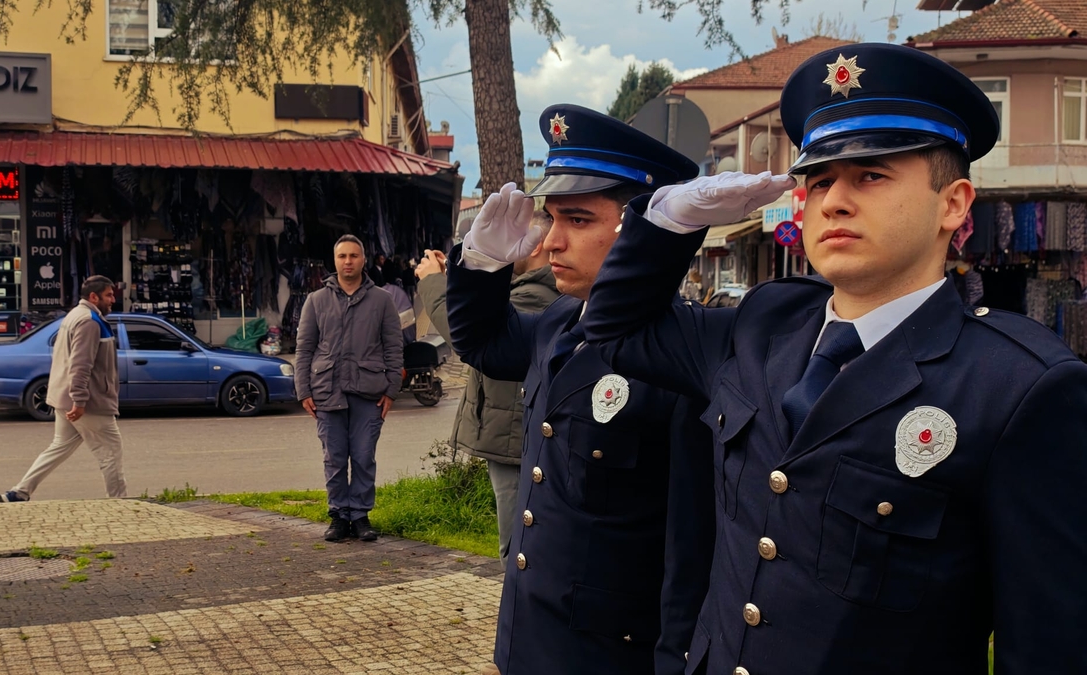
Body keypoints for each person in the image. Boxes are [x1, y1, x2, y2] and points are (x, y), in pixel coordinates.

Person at [576, 43, 1087, 673]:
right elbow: (615, 330)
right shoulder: (761, 327)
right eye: (818, 181)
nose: (834, 201)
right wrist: (666, 224)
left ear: (953, 204)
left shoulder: (1017, 387)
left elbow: (1046, 646)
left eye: (871, 176)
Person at [446, 104, 715, 675]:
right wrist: (482, 261)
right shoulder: (559, 322)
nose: (550, 244)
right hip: (527, 635)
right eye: (552, 219)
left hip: (606, 653)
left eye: (579, 220)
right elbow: (483, 342)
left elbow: (690, 552)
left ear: (642, 228)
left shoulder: (682, 359)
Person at [415, 214, 560, 566]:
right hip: (512, 436)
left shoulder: (535, 295)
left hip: (515, 441)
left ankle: (518, 618)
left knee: (517, 551)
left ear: (535, 243)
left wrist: (433, 283)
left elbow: (471, 337)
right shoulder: (530, 290)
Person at [295, 234, 403, 543]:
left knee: (364, 456)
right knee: (334, 457)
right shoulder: (316, 301)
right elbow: (304, 350)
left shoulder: (382, 300)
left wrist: (392, 389)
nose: (348, 261)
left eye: (354, 256)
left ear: (363, 260)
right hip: (327, 391)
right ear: (334, 260)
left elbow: (394, 348)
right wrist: (304, 390)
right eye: (342, 256)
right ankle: (339, 517)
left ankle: (361, 516)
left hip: (369, 392)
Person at [0, 276, 126, 503]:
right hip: (89, 404)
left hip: (66, 398)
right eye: (108, 295)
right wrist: (79, 401)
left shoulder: (76, 316)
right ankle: (120, 503)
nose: (113, 300)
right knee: (110, 452)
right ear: (93, 297)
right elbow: (81, 364)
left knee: (59, 447)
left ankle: (19, 492)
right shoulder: (89, 321)